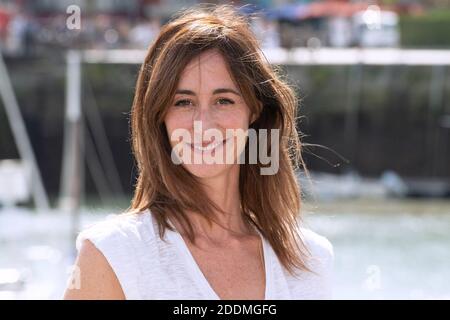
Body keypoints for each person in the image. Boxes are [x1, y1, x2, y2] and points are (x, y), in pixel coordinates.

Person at [63, 4, 333, 300]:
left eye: (224, 101)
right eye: (183, 102)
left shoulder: (310, 260)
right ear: (159, 116)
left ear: (255, 110)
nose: (203, 124)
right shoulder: (112, 255)